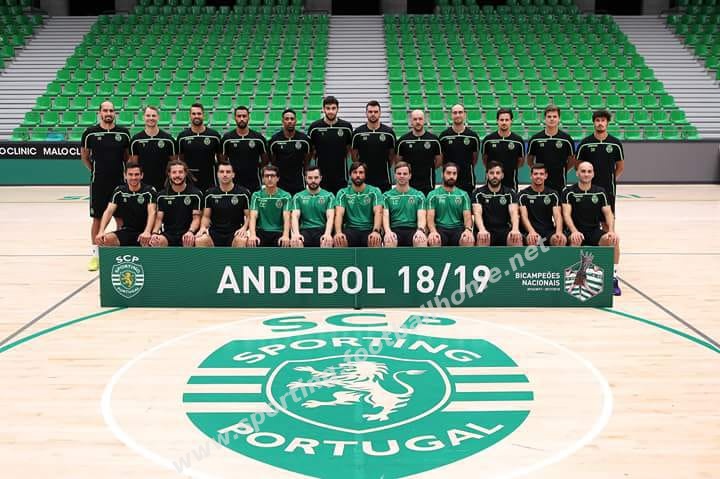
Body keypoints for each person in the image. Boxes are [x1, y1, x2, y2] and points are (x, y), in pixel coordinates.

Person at [81, 100, 130, 270]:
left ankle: (120, 253)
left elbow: (127, 159)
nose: (108, 113)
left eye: (111, 110)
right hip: (99, 183)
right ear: (100, 113)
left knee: (121, 219)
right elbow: (84, 157)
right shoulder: (90, 133)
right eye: (105, 110)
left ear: (114, 113)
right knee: (98, 219)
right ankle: (96, 255)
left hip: (119, 184)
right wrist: (96, 170)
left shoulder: (123, 134)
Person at [561, 161, 621, 295]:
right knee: (575, 240)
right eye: (583, 171)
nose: (586, 174)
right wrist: (574, 231)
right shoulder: (569, 192)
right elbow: (566, 214)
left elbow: (608, 213)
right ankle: (572, 279)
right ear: (577, 173)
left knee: (613, 240)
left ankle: (613, 277)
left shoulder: (600, 192)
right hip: (575, 231)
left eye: (589, 171)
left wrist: (611, 231)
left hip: (594, 231)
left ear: (593, 174)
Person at [94, 161, 156, 247]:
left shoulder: (149, 191)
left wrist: (147, 231)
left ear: (142, 175)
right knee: (104, 240)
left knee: (156, 242)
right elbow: (109, 211)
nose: (133, 177)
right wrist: (101, 231)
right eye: (130, 174)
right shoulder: (119, 191)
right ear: (125, 175)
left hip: (145, 232)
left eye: (137, 174)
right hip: (127, 231)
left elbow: (152, 212)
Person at [575, 110, 625, 213]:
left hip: (608, 187)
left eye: (603, 120)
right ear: (594, 122)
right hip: (589, 186)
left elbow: (620, 167)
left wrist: (610, 178)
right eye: (597, 120)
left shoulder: (615, 144)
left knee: (608, 217)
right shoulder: (585, 143)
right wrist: (586, 178)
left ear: (607, 123)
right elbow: (577, 166)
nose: (600, 123)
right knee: (589, 216)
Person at [195, 161, 251, 248]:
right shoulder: (210, 194)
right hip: (215, 232)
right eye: (221, 172)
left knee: (241, 240)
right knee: (200, 240)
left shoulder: (243, 193)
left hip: (235, 232)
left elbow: (249, 216)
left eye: (228, 172)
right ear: (217, 174)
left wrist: (244, 228)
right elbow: (206, 217)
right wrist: (202, 228)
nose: (225, 175)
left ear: (233, 174)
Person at [149, 159, 202, 247]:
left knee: (196, 240)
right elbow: (159, 219)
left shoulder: (196, 194)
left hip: (188, 233)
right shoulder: (161, 196)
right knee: (156, 242)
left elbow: (196, 218)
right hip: (169, 234)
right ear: (169, 174)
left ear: (185, 173)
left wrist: (190, 232)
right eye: (174, 172)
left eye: (180, 172)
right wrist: (154, 233)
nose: (177, 175)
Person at [307, 95, 353, 194]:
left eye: (333, 108)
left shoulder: (346, 127)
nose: (330, 111)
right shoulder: (314, 127)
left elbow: (349, 149)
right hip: (321, 177)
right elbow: (312, 151)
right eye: (328, 108)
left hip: (341, 176)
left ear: (337, 109)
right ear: (323, 109)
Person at [472, 161, 523, 246]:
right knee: (483, 238)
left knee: (516, 239)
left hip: (504, 230)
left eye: (498, 173)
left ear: (502, 175)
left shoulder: (510, 193)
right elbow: (477, 214)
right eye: (491, 173)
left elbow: (514, 213)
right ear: (487, 175)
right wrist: (482, 229)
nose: (494, 176)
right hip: (485, 229)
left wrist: (515, 229)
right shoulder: (478, 193)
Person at [333, 162, 384, 248]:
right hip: (351, 229)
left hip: (369, 229)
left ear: (365, 174)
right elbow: (338, 214)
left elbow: (378, 212)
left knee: (375, 240)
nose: (358, 175)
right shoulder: (342, 193)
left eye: (361, 172)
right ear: (350, 175)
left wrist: (376, 231)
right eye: (355, 172)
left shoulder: (374, 191)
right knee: (340, 240)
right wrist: (338, 232)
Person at [526, 104, 575, 193]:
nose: (552, 119)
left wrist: (563, 170)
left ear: (559, 119)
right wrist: (539, 171)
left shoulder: (566, 139)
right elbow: (529, 160)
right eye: (549, 117)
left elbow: (572, 159)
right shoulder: (535, 139)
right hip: (541, 182)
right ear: (544, 119)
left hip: (560, 182)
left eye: (554, 116)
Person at [220, 106, 268, 193]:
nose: (241, 119)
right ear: (235, 118)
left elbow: (265, 160)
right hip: (234, 182)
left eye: (244, 116)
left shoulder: (258, 138)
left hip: (254, 181)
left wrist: (254, 167)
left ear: (248, 117)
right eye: (239, 116)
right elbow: (222, 159)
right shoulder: (227, 138)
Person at [351, 100, 396, 192]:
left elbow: (392, 156)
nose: (373, 114)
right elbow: (354, 156)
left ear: (380, 113)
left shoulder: (389, 133)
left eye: (375, 112)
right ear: (366, 113)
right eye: (370, 112)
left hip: (384, 179)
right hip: (364, 180)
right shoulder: (358, 133)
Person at [129, 106, 177, 192]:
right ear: (143, 117)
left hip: (164, 184)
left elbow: (174, 164)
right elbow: (134, 165)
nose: (151, 118)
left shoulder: (168, 140)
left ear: (158, 117)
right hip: (143, 185)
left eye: (153, 115)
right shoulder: (136, 140)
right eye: (148, 115)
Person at [176, 103, 222, 192]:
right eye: (194, 114)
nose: (196, 116)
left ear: (203, 115)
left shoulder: (214, 136)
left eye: (199, 113)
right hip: (190, 179)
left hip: (210, 178)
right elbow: (181, 159)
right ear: (190, 115)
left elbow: (220, 158)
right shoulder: (182, 137)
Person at [517, 163, 566, 246]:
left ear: (546, 176)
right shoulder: (523, 195)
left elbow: (557, 216)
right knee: (533, 240)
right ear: (531, 176)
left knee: (560, 240)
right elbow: (524, 217)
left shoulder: (553, 194)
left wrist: (559, 232)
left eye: (541, 174)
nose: (538, 176)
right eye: (535, 174)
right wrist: (531, 232)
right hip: (529, 231)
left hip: (548, 232)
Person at [426, 163, 474, 247]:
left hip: (458, 228)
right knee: (434, 240)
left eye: (454, 173)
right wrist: (433, 231)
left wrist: (467, 230)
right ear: (442, 174)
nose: (451, 176)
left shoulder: (463, 195)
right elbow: (430, 219)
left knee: (468, 240)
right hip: (440, 228)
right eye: (448, 173)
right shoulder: (433, 195)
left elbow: (467, 217)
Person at [396, 110, 442, 195]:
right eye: (415, 119)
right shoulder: (403, 141)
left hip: (428, 184)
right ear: (411, 121)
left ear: (424, 120)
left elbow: (439, 161)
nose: (418, 122)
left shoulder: (434, 140)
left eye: (420, 119)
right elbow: (398, 162)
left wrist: (429, 168)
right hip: (409, 185)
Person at [438, 104, 481, 195]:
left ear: (464, 114)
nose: (457, 115)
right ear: (451, 115)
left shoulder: (473, 136)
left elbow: (475, 159)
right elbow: (441, 159)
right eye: (455, 113)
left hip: (467, 180)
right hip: (449, 180)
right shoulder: (444, 136)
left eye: (460, 112)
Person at [383, 161, 427, 247]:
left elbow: (422, 217)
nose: (402, 176)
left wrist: (420, 230)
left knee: (420, 240)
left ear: (410, 176)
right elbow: (385, 216)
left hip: (413, 229)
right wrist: (388, 232)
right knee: (389, 240)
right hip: (394, 229)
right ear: (394, 175)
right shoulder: (386, 196)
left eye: (405, 174)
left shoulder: (419, 195)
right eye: (399, 173)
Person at [268, 108, 312, 196]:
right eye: (287, 119)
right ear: (282, 121)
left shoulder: (304, 140)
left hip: (299, 182)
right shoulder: (274, 140)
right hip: (281, 183)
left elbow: (307, 160)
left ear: (296, 121)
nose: (289, 121)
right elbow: (273, 161)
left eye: (292, 119)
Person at [247, 165, 292, 247]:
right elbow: (253, 216)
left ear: (278, 178)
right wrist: (252, 235)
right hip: (261, 231)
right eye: (267, 176)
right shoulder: (256, 195)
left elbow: (287, 217)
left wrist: (285, 235)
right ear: (263, 179)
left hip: (279, 232)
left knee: (287, 243)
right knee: (248, 242)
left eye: (273, 176)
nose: (270, 179)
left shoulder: (285, 196)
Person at [290, 166, 335, 248]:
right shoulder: (298, 196)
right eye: (310, 178)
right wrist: (296, 234)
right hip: (305, 230)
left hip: (322, 229)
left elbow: (330, 217)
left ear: (320, 178)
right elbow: (295, 216)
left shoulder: (329, 196)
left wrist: (327, 234)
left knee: (326, 242)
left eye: (316, 177)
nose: (313, 180)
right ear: (305, 178)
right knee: (297, 242)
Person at [481, 108, 525, 191]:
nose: (504, 122)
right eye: (501, 120)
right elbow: (485, 159)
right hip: (492, 183)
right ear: (497, 121)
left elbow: (521, 161)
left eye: (506, 120)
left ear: (511, 121)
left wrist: (510, 168)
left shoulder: (518, 141)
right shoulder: (488, 140)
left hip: (511, 183)